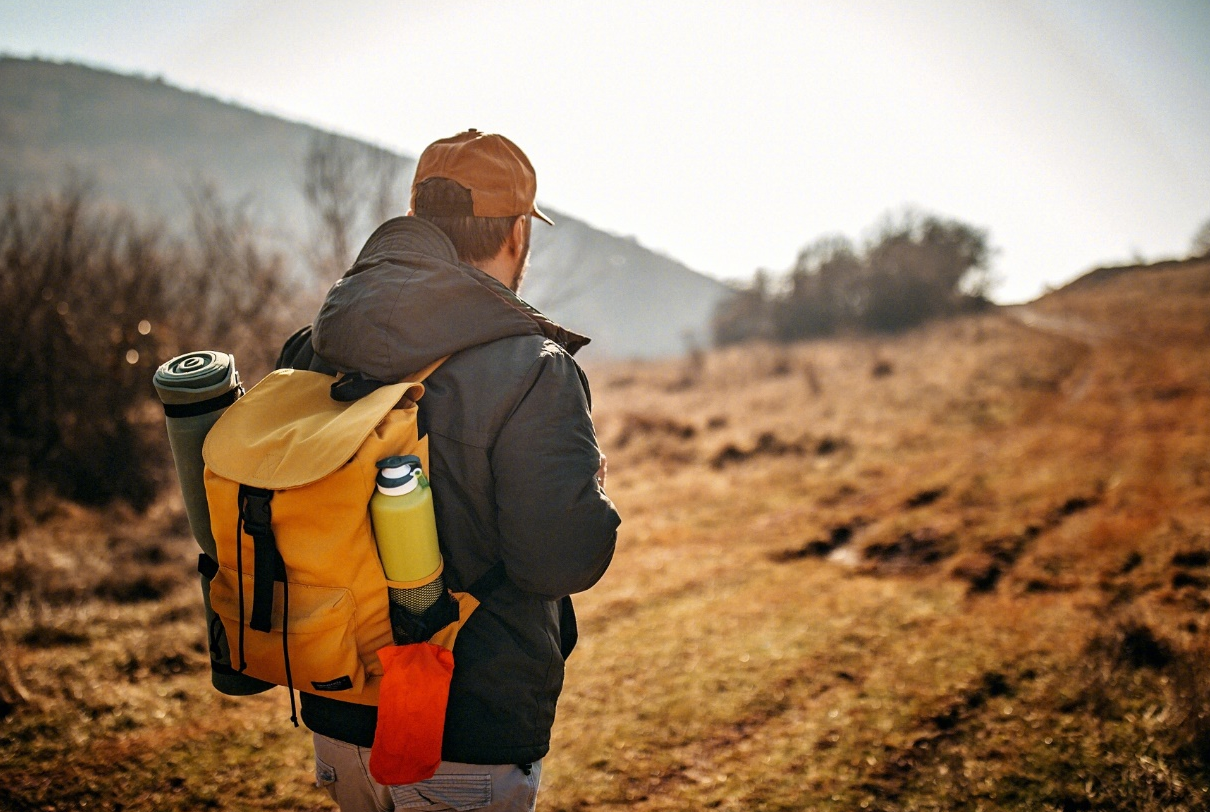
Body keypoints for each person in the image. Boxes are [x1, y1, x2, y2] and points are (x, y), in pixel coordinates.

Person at [276, 129, 620, 812]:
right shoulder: (532, 368)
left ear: (417, 225)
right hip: (467, 726)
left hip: (340, 708)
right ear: (517, 234)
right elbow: (560, 560)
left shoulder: (315, 346)